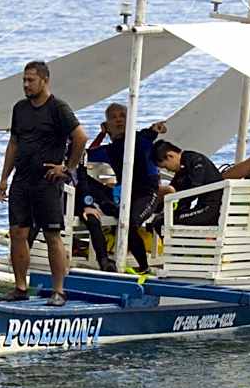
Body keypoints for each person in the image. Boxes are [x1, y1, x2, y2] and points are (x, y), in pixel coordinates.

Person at [0, 60, 88, 306]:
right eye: (24, 80)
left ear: (44, 80)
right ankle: (20, 286)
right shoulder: (20, 108)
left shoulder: (58, 108)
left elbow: (80, 137)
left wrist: (67, 168)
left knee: (51, 234)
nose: (26, 85)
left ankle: (58, 290)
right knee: (18, 232)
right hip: (22, 180)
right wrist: (4, 177)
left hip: (47, 181)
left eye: (31, 80)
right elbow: (14, 143)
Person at [86, 102, 165, 272]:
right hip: (126, 195)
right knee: (93, 188)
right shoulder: (108, 150)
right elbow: (88, 154)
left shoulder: (140, 139)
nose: (119, 120)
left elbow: (152, 132)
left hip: (147, 194)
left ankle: (144, 268)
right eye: (113, 118)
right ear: (107, 125)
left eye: (122, 116)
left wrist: (157, 128)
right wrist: (102, 134)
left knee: (128, 224)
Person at [151, 140, 223, 229]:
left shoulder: (195, 161)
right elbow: (176, 189)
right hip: (208, 210)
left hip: (211, 211)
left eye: (166, 166)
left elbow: (194, 188)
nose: (168, 170)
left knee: (162, 222)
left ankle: (179, 243)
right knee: (161, 220)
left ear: (170, 155)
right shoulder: (185, 164)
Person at [73, 164, 118, 273]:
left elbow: (83, 180)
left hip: (79, 198)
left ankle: (103, 260)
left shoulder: (79, 158)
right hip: (59, 198)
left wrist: (87, 204)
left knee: (93, 220)